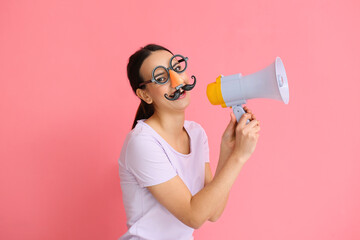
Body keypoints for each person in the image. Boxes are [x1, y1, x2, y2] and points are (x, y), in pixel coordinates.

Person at [118, 44, 260, 240]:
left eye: (176, 68)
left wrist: (228, 150)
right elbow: (194, 216)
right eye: (161, 78)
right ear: (145, 95)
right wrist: (239, 156)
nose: (177, 81)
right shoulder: (142, 142)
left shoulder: (196, 133)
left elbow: (214, 211)